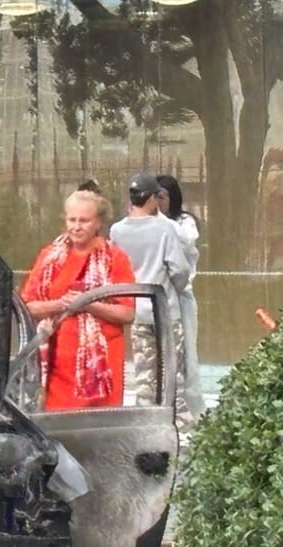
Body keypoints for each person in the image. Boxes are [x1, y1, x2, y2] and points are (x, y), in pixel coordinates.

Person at [21, 190, 135, 409]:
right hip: (56, 365)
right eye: (72, 219)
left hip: (102, 368)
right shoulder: (49, 256)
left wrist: (89, 304)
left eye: (84, 221)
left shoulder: (115, 257)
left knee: (99, 429)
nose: (76, 226)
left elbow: (127, 313)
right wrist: (60, 304)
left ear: (98, 223)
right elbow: (27, 307)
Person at [109, 173, 194, 433]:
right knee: (174, 378)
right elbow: (179, 269)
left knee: (145, 377)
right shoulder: (165, 228)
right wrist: (178, 290)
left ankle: (145, 432)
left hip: (136, 311)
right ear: (151, 198)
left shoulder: (117, 230)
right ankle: (181, 432)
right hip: (165, 310)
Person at [156, 175, 206, 419]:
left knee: (188, 354)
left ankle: (194, 411)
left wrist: (157, 221)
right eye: (154, 197)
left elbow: (185, 242)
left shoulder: (184, 222)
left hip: (182, 296)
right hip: (157, 300)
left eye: (162, 197)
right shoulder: (149, 225)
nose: (157, 202)